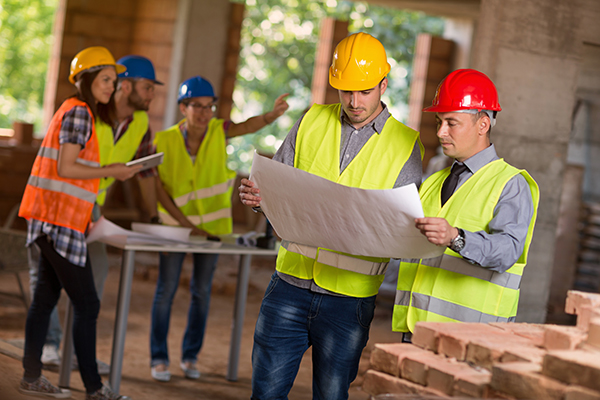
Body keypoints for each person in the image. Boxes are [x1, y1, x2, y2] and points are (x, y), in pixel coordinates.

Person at [238, 32, 424, 400]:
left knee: (331, 395)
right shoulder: (311, 121)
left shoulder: (405, 143)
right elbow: (277, 186)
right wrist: (260, 199)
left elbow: (403, 227)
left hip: (349, 300)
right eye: (346, 91)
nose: (354, 101)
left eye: (365, 91)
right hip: (289, 286)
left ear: (384, 85)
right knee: (265, 394)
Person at [17, 46, 140, 399]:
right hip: (56, 222)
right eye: (104, 79)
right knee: (87, 304)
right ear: (85, 79)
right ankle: (94, 388)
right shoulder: (80, 113)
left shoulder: (76, 111)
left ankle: (31, 377)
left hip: (52, 219)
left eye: (114, 81)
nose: (110, 87)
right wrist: (112, 171)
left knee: (44, 300)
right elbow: (67, 167)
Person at [148, 75, 289, 382]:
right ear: (183, 108)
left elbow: (246, 126)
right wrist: (185, 224)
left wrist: (271, 116)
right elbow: (157, 188)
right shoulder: (165, 140)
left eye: (209, 106)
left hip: (213, 229)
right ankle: (159, 358)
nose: (204, 113)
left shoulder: (218, 131)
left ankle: (190, 356)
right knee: (166, 290)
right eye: (197, 106)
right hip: (175, 228)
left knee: (201, 292)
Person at [30, 55, 162, 372]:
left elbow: (144, 173)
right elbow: (64, 164)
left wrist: (154, 218)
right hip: (57, 205)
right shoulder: (86, 113)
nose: (152, 95)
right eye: (147, 87)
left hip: (91, 208)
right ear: (124, 86)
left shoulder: (140, 124)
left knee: (95, 272)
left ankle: (75, 350)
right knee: (46, 280)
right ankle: (48, 347)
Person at [391, 69, 540, 337]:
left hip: (469, 338)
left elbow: (508, 251)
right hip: (415, 328)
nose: (440, 132)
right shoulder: (434, 181)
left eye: (451, 122)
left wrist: (456, 238)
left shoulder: (510, 184)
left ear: (483, 125)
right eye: (439, 121)